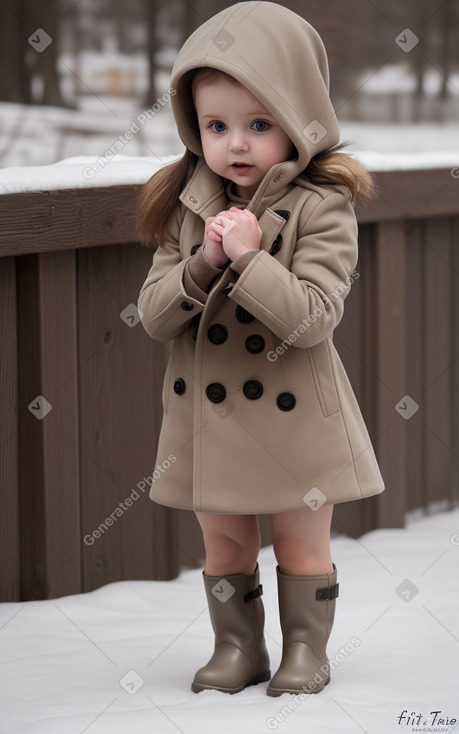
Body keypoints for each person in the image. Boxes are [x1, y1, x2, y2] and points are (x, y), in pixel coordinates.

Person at [137, 1, 384, 697]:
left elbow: (312, 319)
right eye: (215, 126)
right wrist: (201, 266)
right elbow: (155, 317)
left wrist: (248, 260)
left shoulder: (322, 203)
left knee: (302, 543)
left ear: (299, 120)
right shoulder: (185, 204)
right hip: (207, 423)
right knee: (225, 545)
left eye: (258, 124)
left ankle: (306, 652)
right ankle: (237, 649)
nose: (235, 145)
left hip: (295, 414)